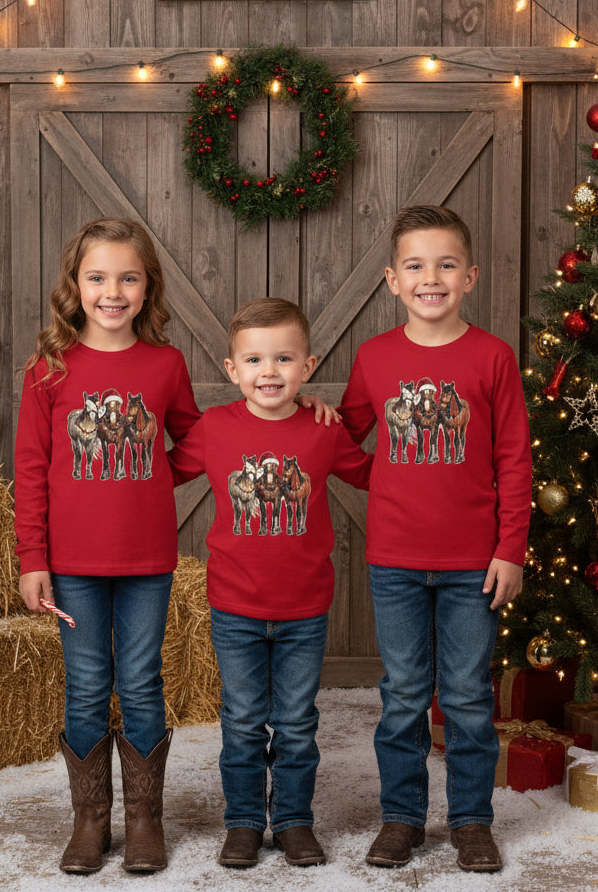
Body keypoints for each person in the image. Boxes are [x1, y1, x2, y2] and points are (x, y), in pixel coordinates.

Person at [339, 205, 531, 873]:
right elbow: (343, 441)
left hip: (473, 563)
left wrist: (510, 548)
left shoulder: (491, 357)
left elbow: (514, 459)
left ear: (470, 276)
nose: (432, 277)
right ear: (393, 280)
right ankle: (402, 818)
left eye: (446, 264)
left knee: (469, 695)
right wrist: (382, 477)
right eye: (416, 266)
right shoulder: (375, 357)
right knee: (402, 694)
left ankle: (472, 820)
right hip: (394, 560)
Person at [13, 217, 202, 875]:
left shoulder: (165, 365)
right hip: (73, 566)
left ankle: (146, 821)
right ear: (77, 286)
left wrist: (156, 475)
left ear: (148, 289)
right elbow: (32, 469)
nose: (112, 291)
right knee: (87, 684)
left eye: (128, 278)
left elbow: (198, 441)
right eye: (98, 277)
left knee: (143, 683)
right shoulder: (50, 369)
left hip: (147, 561)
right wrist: (32, 560)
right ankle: (91, 821)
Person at [169, 298, 372, 870]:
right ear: (233, 371)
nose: (270, 372)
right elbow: (155, 471)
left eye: (284, 358)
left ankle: (292, 820)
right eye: (255, 360)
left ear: (307, 366)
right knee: (240, 719)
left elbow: (375, 474)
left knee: (297, 721)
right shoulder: (214, 429)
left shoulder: (323, 430)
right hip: (234, 606)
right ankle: (242, 822)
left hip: (305, 608)